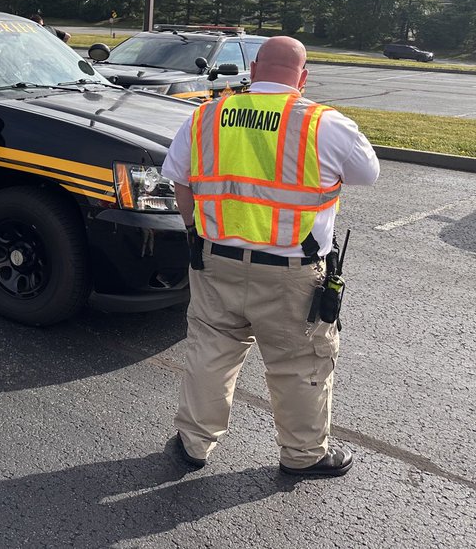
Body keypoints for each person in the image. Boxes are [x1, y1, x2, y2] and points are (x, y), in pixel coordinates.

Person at [160, 36, 380, 477]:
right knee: (299, 362)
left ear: (254, 69)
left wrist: (192, 233)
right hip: (292, 272)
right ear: (302, 77)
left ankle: (193, 444)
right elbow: (367, 175)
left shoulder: (208, 114)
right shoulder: (326, 124)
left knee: (210, 351)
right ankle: (303, 455)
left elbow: (179, 181)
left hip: (213, 258)